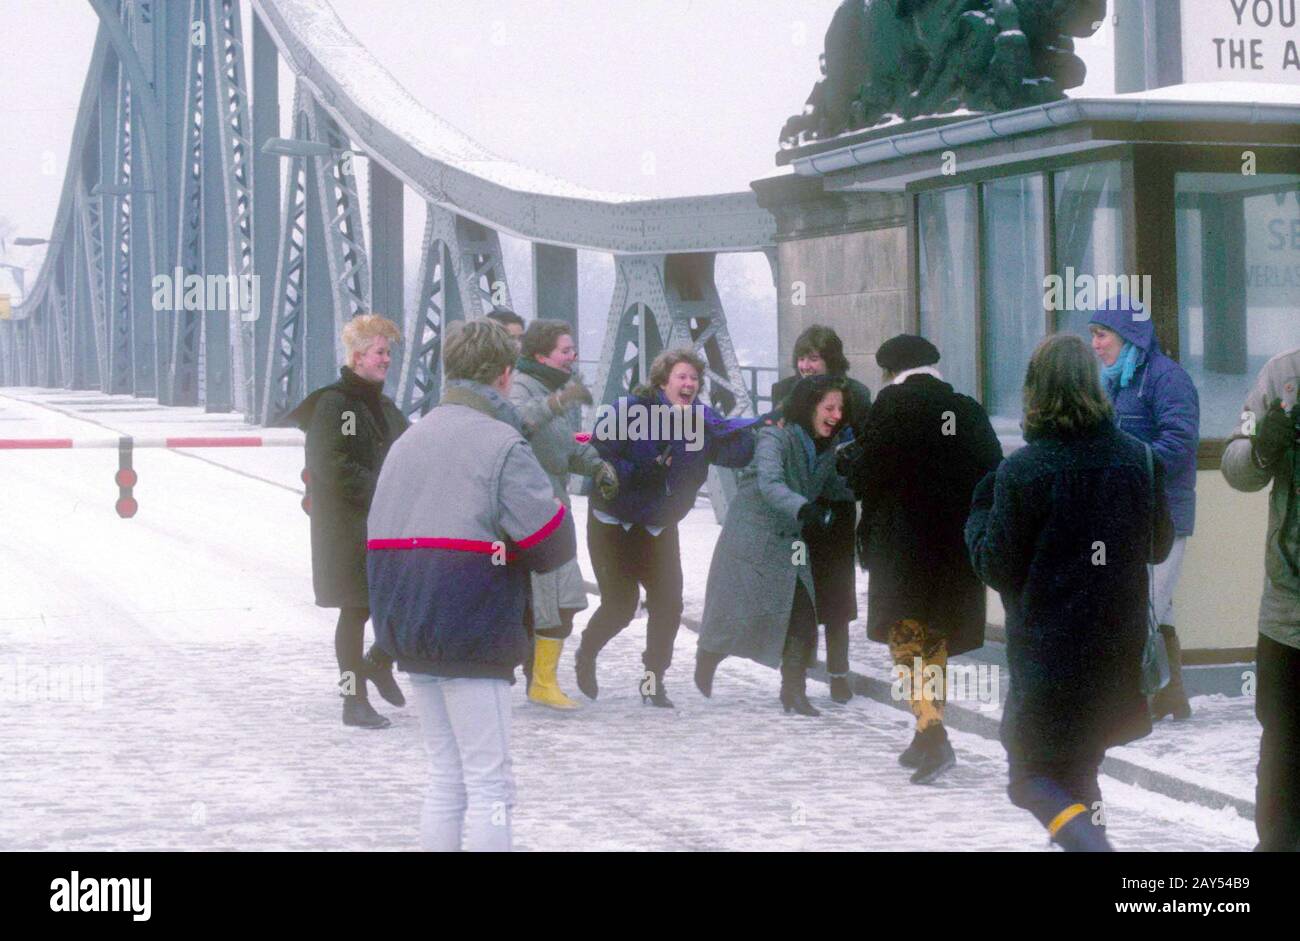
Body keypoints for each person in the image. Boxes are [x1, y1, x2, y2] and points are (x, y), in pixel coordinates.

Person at [367, 318, 576, 852]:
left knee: (446, 776)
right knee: (491, 782)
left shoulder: (409, 439)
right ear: (505, 376)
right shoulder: (500, 441)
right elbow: (550, 546)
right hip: (471, 623)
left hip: (410, 624)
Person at [966, 333, 1174, 852]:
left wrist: (977, 516)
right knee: (1080, 773)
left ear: (1035, 391)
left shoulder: (1023, 471)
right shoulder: (1139, 459)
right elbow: (1158, 544)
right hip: (1115, 649)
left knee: (1028, 776)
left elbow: (995, 565)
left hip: (1049, 656)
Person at [842, 334, 1001, 783]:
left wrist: (848, 464)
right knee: (936, 643)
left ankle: (932, 734)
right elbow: (991, 470)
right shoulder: (966, 409)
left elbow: (864, 478)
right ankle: (925, 728)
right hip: (953, 549)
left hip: (901, 549)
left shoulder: (889, 407)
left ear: (891, 372)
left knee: (908, 639)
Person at [576, 348, 758, 707]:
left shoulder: (701, 421)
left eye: (694, 378)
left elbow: (735, 455)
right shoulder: (630, 410)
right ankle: (587, 653)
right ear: (663, 381)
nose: (689, 383)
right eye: (681, 376)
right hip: (614, 521)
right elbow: (597, 456)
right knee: (621, 604)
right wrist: (640, 474)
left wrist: (761, 433)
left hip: (658, 526)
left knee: (668, 605)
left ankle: (652, 680)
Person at [695, 376, 848, 715]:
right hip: (754, 536)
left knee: (804, 616)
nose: (837, 415)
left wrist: (861, 481)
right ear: (810, 407)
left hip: (791, 540)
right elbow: (770, 483)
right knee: (737, 613)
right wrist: (805, 508)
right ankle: (708, 654)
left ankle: (793, 691)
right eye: (829, 408)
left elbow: (832, 486)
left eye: (840, 408)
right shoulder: (774, 435)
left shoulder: (825, 445)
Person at [287, 313, 410, 730]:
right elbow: (330, 463)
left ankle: (378, 663)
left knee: (399, 602)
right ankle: (351, 699)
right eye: (381, 352)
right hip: (348, 531)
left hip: (384, 527)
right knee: (355, 613)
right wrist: (383, 488)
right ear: (358, 357)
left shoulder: (383, 406)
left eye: (389, 352)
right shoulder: (338, 405)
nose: (387, 359)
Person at [1088, 298, 1199, 721]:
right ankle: (1172, 697)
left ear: (1129, 336)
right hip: (1129, 513)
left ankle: (1130, 703)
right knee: (1158, 606)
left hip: (1165, 515)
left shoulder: (1168, 380)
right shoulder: (1118, 380)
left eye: (1102, 335)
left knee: (1139, 605)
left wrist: (1120, 464)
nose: (1095, 345)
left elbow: (1178, 445)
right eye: (1093, 335)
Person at [508, 320, 619, 709]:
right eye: (565, 350)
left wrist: (597, 465)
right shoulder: (521, 385)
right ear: (541, 356)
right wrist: (561, 401)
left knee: (563, 601)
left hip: (556, 510)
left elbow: (565, 447)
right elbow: (517, 424)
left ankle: (540, 679)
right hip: (529, 513)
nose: (573, 357)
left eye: (573, 350)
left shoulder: (554, 389)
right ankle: (536, 680)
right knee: (547, 602)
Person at [1220, 346, 1300, 851]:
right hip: (1288, 612)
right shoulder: (1284, 374)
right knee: (1283, 750)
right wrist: (1263, 449)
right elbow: (1234, 465)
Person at [769, 325, 872, 703]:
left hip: (837, 504)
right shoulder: (784, 392)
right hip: (798, 507)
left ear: (831, 359)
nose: (806, 365)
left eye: (814, 357)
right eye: (802, 356)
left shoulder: (856, 395)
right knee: (797, 590)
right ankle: (793, 671)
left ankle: (839, 673)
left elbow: (867, 446)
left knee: (837, 592)